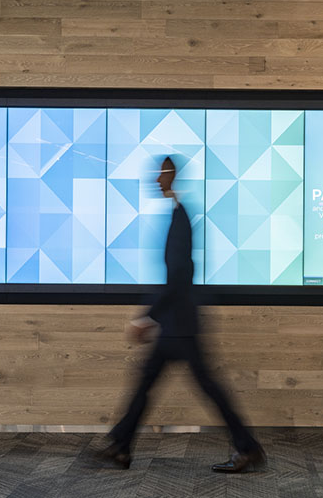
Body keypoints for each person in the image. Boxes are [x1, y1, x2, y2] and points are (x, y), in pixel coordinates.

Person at [100, 156, 266, 473]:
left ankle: (248, 448)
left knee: (203, 387)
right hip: (176, 323)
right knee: (155, 384)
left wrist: (146, 316)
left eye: (161, 173)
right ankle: (120, 446)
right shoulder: (178, 213)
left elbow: (177, 274)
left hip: (179, 325)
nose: (155, 179)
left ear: (172, 176)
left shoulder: (180, 217)